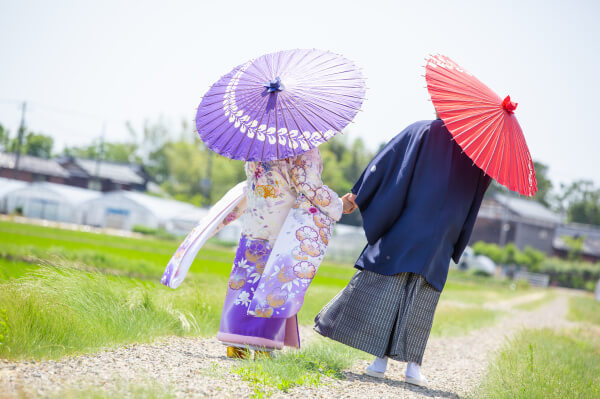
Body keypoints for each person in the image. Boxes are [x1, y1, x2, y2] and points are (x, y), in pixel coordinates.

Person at [314, 119, 491, 386]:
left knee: (388, 286)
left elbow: (390, 163)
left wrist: (361, 193)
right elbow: (477, 193)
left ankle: (379, 361)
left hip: (408, 219)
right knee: (422, 296)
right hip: (444, 230)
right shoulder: (479, 149)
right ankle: (412, 368)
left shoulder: (423, 130)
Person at [219, 147, 343, 358]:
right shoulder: (301, 145)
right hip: (282, 223)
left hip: (255, 219)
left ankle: (236, 343)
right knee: (274, 281)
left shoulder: (256, 142)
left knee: (245, 277)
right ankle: (263, 345)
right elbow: (308, 184)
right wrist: (338, 204)